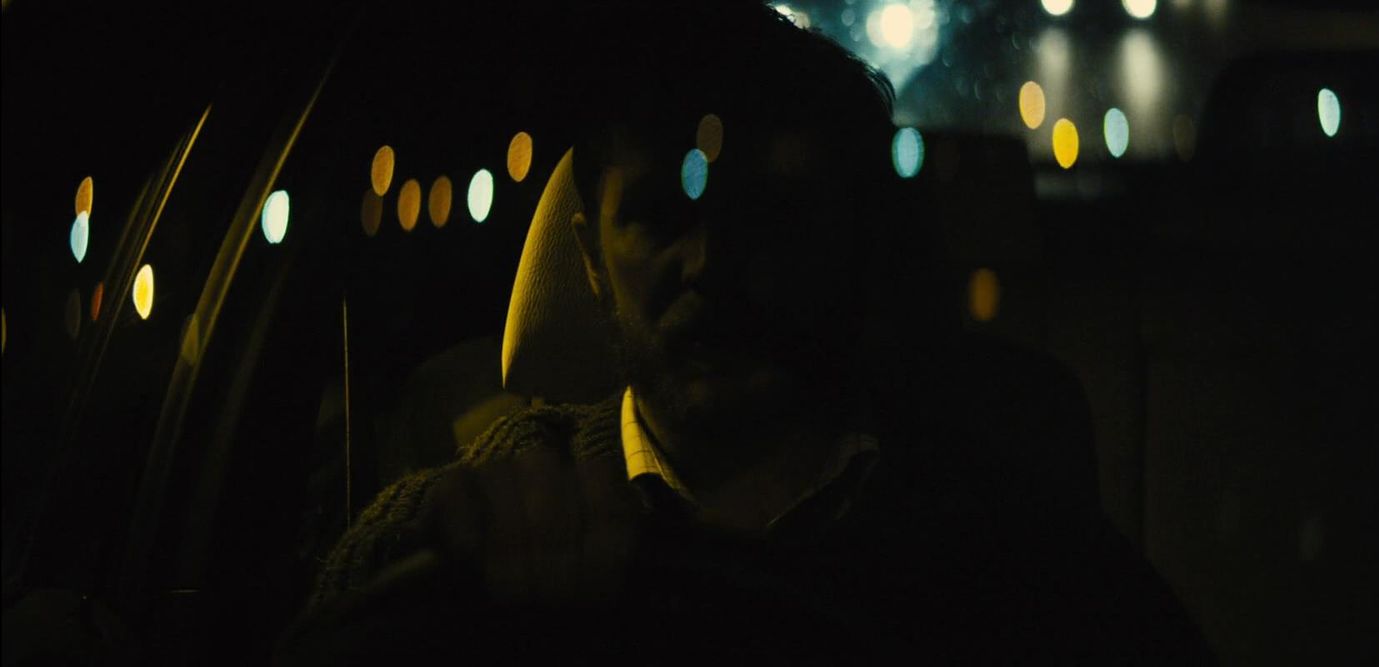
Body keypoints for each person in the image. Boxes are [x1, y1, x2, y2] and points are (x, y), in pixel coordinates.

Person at [279, 2, 1212, 663]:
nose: (711, 262)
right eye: (656, 212)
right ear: (589, 259)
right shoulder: (475, 521)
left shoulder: (1009, 543)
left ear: (853, 237)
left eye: (772, 211)